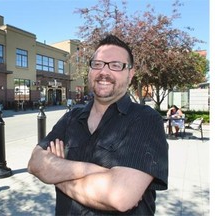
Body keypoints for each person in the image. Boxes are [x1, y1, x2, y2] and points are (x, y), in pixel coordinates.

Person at [28, 35, 168, 215]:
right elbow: (35, 163)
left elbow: (120, 196)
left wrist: (56, 173)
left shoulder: (146, 120)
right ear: (90, 71)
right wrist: (94, 171)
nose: (104, 71)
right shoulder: (71, 118)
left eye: (116, 65)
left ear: (130, 74)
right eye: (98, 64)